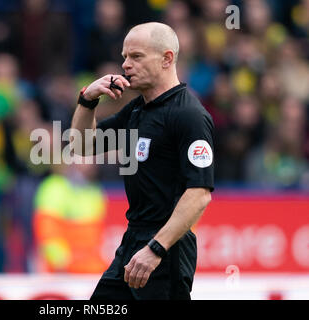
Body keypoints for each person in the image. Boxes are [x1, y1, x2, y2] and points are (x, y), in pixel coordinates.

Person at [71, 22, 214, 300]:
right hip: (133, 241)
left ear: (167, 58)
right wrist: (88, 100)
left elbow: (199, 194)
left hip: (166, 250)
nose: (126, 64)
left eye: (136, 57)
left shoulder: (189, 116)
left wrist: (156, 249)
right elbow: (81, 145)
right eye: (124, 56)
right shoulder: (137, 110)